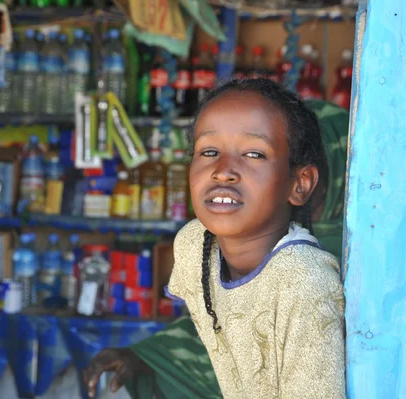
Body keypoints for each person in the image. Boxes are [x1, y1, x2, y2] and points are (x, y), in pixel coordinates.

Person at [84, 81, 348, 399]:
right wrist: (142, 356)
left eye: (255, 154)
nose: (223, 172)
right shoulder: (204, 244)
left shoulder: (319, 273)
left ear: (303, 182)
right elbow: (221, 328)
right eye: (209, 152)